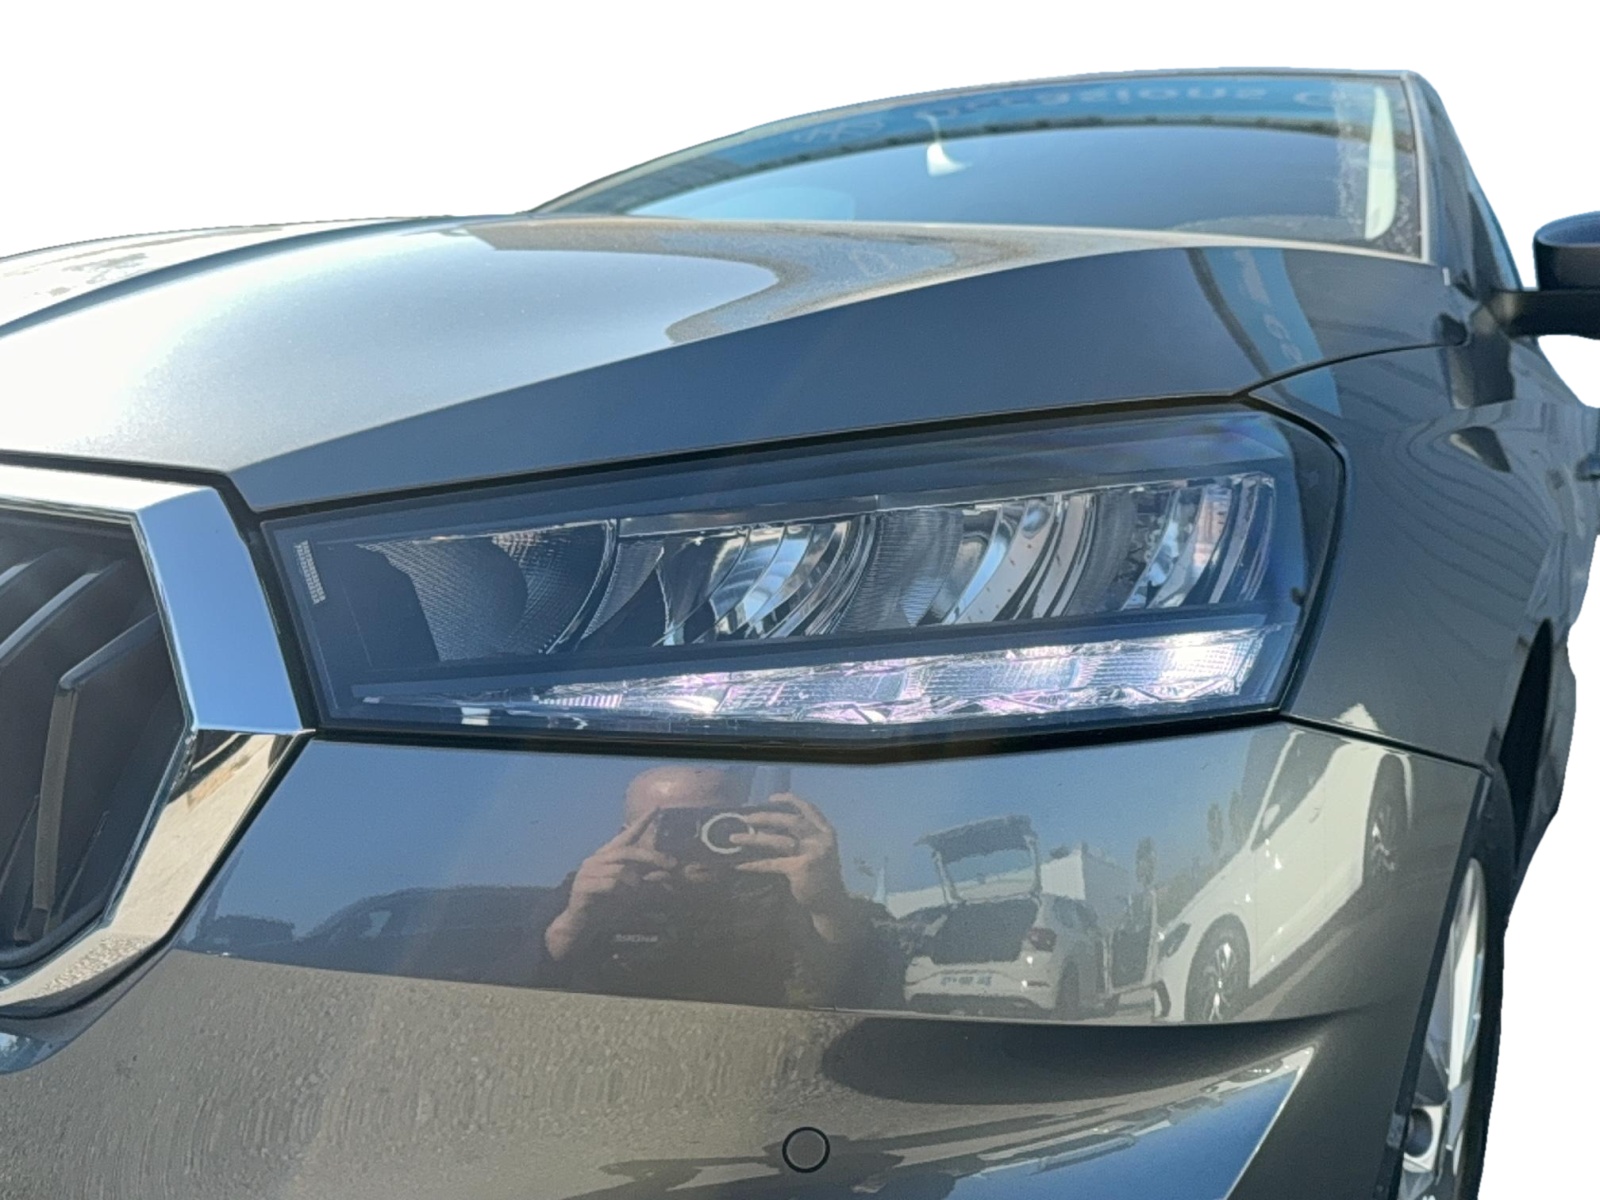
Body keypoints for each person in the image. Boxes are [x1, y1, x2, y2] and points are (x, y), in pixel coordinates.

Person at [528, 765, 884, 1008]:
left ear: (746, 820)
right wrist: (572, 924)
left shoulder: (787, 890)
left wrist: (827, 906)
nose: (698, 838)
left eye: (716, 823)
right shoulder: (593, 895)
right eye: (675, 825)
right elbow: (515, 993)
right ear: (628, 836)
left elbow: (858, 990)